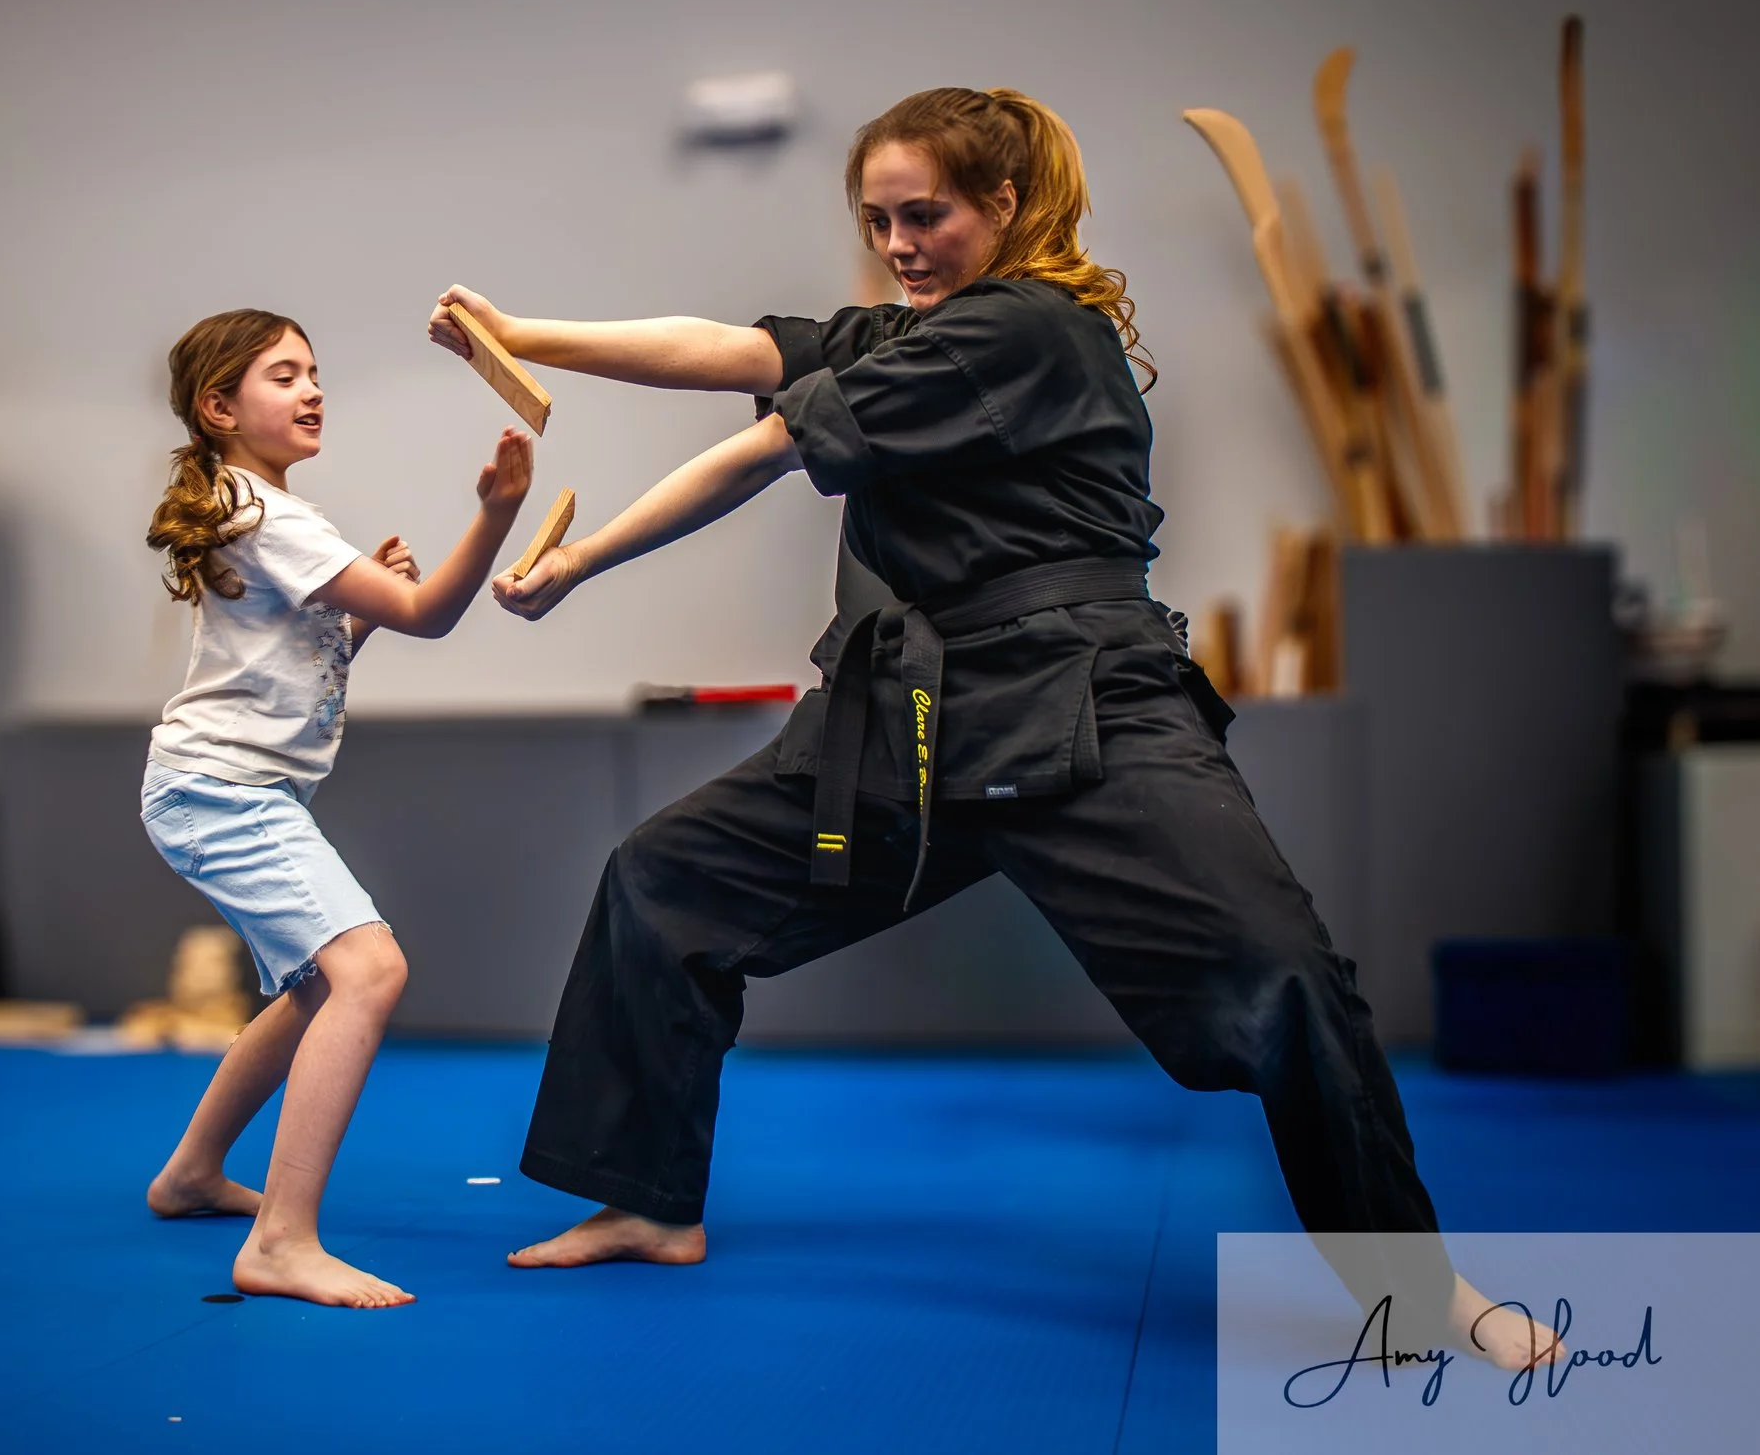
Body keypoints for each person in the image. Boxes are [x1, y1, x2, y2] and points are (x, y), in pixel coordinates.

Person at [429, 87, 1559, 1368]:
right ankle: (648, 1200)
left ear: (1006, 206)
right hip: (911, 715)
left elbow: (761, 447)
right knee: (662, 881)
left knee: (1283, 977)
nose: (902, 242)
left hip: (1081, 708)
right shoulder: (907, 329)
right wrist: (523, 334)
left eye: (930, 214)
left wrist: (581, 560)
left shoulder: (1028, 325)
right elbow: (729, 348)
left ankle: (1420, 1293)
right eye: (878, 220)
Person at [138, 308, 534, 1309]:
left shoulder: (249, 506)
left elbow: (294, 669)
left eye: (314, 371)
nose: (311, 389)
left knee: (318, 983)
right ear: (219, 406)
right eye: (282, 375)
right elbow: (436, 614)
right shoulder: (271, 515)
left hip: (221, 786)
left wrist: (354, 619)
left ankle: (191, 1174)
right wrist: (493, 511)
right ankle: (281, 1238)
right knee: (370, 967)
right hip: (220, 790)